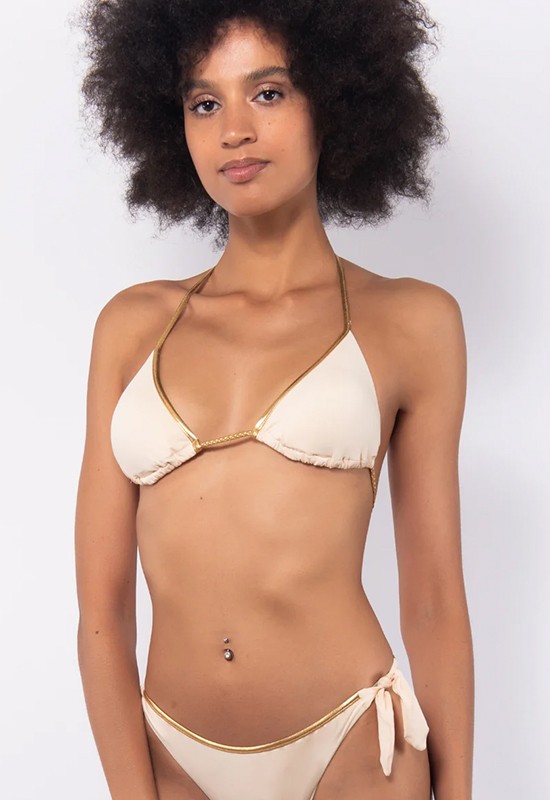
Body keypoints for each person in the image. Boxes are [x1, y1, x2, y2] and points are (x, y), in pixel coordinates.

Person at [75, 1, 474, 798]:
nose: (234, 131)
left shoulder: (412, 322)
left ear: (337, 100)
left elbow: (432, 598)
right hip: (174, 757)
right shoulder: (131, 327)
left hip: (354, 752)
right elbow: (101, 613)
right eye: (204, 102)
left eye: (268, 93)